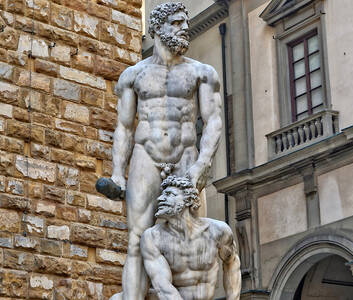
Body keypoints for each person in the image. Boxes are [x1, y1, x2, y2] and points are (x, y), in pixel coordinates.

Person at [110, 2, 223, 299]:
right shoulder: (133, 76)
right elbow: (124, 127)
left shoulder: (202, 73)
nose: (184, 27)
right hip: (146, 156)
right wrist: (117, 174)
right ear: (158, 28)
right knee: (136, 238)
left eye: (185, 22)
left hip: (186, 158)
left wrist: (202, 165)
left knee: (193, 240)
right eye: (176, 23)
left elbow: (213, 122)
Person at [140, 176, 241, 300]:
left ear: (188, 200)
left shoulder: (218, 230)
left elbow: (232, 264)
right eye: (161, 195)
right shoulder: (153, 237)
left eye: (169, 194)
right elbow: (163, 286)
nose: (160, 199)